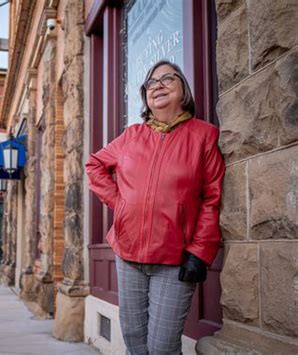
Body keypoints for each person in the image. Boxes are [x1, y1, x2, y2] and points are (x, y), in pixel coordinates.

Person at [85, 60, 225, 354]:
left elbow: (212, 198)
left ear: (183, 90)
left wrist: (200, 252)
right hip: (127, 253)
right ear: (145, 96)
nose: (157, 85)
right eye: (151, 82)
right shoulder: (131, 136)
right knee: (134, 342)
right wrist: (119, 203)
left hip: (174, 259)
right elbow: (94, 164)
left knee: (162, 347)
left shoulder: (204, 135)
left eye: (167, 79)